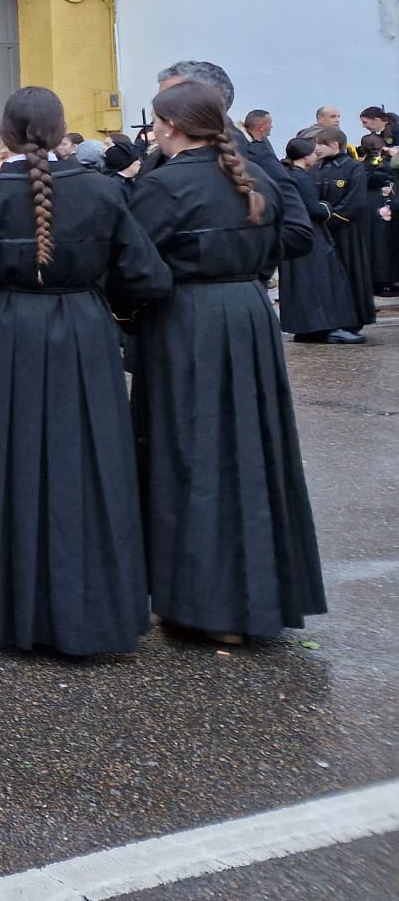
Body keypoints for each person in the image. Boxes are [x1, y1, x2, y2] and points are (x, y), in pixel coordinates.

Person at [0, 87, 170, 655]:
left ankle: (1, 596)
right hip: (86, 334)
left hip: (11, 334)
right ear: (62, 129)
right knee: (93, 463)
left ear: (6, 134)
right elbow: (146, 275)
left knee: (8, 463)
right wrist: (110, 315)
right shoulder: (103, 189)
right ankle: (100, 600)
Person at [129, 80, 325, 645]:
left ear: (168, 125)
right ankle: (256, 598)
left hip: (187, 320)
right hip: (248, 313)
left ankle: (205, 605)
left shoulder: (163, 186)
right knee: (253, 453)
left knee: (191, 454)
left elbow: (132, 264)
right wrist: (247, 263)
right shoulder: (257, 173)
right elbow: (296, 233)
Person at [278, 137, 365, 344]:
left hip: (294, 231)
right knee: (323, 279)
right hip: (312, 232)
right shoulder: (302, 178)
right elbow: (315, 208)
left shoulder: (287, 174)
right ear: (306, 155)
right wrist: (327, 207)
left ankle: (307, 328)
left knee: (303, 282)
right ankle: (328, 327)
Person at [310, 126, 380, 330]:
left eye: (320, 144)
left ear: (334, 144)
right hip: (323, 231)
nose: (317, 149)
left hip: (346, 231)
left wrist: (332, 218)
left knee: (351, 273)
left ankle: (354, 319)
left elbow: (355, 201)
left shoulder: (352, 167)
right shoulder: (317, 167)